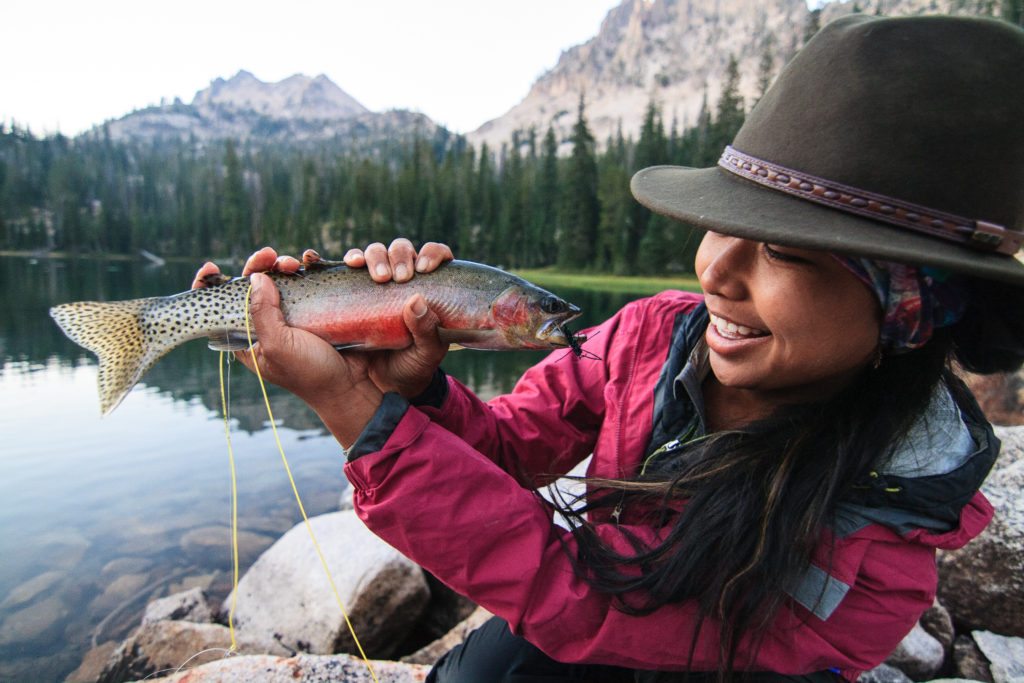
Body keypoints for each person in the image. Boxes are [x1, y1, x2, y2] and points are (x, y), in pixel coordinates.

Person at [194, 14, 1024, 683]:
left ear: (906, 309)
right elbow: (515, 448)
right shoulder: (655, 333)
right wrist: (407, 391)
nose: (715, 271)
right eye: (720, 222)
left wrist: (355, 415)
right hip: (590, 605)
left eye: (784, 251)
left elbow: (584, 595)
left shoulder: (882, 547)